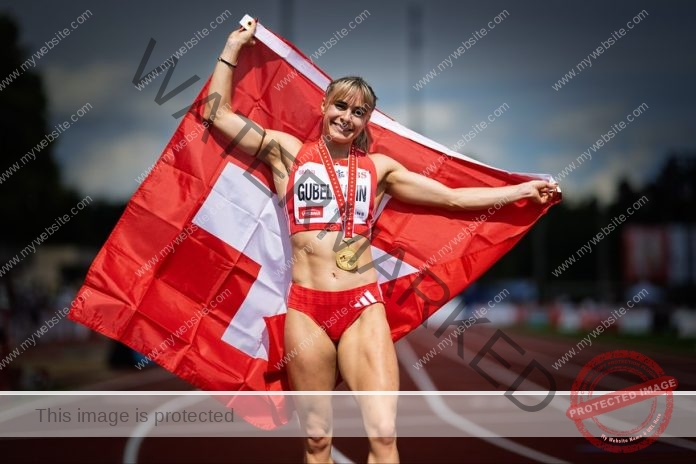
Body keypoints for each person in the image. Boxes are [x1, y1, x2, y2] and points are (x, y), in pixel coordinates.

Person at [203, 19, 557, 464]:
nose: (346, 118)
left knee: (384, 435)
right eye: (341, 107)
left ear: (366, 121)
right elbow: (217, 115)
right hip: (306, 310)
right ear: (324, 105)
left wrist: (522, 190)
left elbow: (452, 198)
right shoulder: (286, 152)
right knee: (316, 441)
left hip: (362, 307)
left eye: (358, 113)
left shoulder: (379, 169)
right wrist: (232, 47)